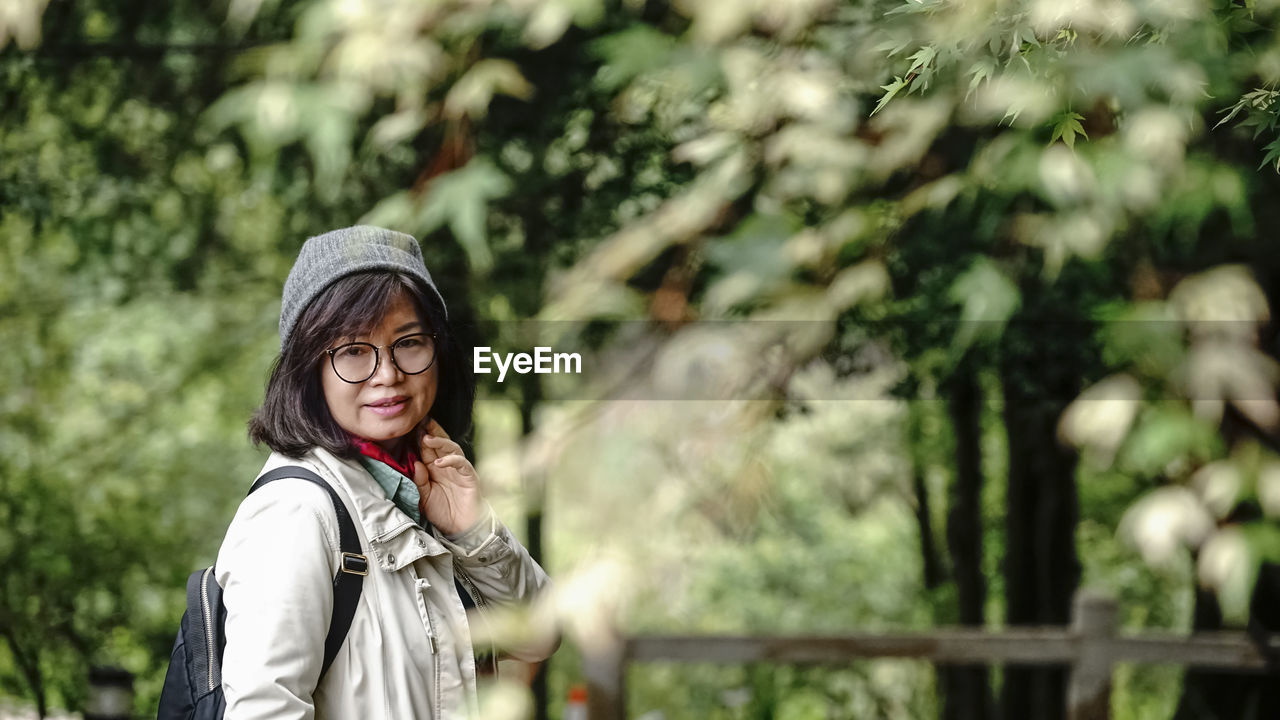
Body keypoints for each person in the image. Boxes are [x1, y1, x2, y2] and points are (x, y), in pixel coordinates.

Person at [216, 225, 554, 719]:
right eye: (353, 350)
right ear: (311, 368)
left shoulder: (422, 488)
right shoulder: (295, 512)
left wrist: (474, 532)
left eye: (409, 343)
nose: (388, 374)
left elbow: (539, 638)